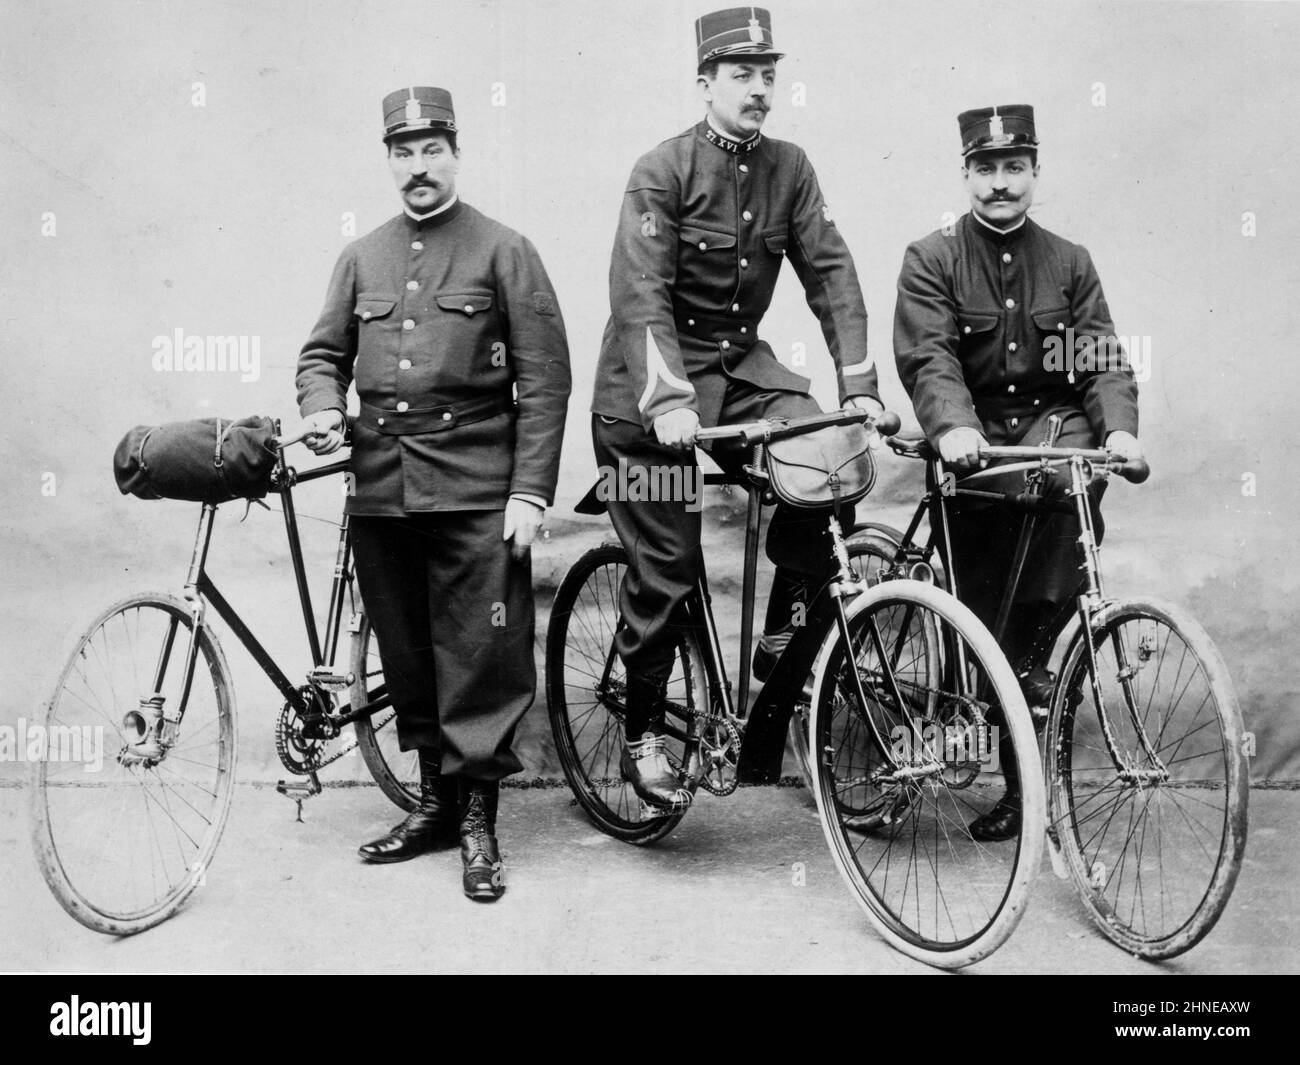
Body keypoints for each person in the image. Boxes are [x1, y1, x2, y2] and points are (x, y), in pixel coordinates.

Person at [591, 7, 884, 808]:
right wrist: (670, 401)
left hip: (737, 368)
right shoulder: (662, 169)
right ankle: (645, 731)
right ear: (705, 82)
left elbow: (832, 275)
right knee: (669, 564)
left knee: (828, 448)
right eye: (741, 75)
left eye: (767, 76)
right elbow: (638, 288)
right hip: (642, 394)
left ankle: (787, 623)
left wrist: (860, 390)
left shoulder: (790, 168)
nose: (758, 90)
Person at [293, 86, 571, 899]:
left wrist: (529, 492)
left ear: (456, 152)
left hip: (480, 489)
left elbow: (545, 380)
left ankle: (479, 822)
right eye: (402, 153)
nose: (418, 167)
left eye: (432, 150)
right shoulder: (361, 257)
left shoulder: (503, 250)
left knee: (479, 656)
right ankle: (435, 806)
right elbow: (320, 357)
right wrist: (319, 409)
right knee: (409, 655)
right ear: (389, 160)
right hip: (381, 491)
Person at [893, 104, 1141, 840]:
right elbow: (928, 356)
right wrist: (953, 426)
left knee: (1039, 620)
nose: (1000, 184)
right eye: (986, 169)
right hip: (974, 459)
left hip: (1048, 438)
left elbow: (1099, 357)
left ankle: (1027, 787)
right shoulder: (932, 257)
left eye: (1014, 168)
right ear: (965, 173)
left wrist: (1121, 430)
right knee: (988, 626)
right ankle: (997, 743)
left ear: (1035, 172)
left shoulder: (1069, 261)